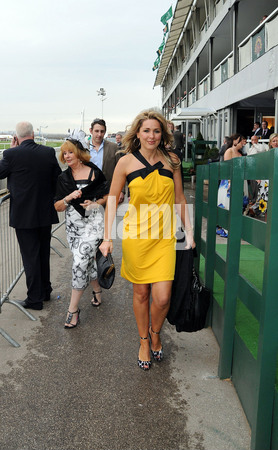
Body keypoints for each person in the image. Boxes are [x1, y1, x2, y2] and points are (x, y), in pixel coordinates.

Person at [99, 110, 195, 370]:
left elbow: (180, 199)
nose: (151, 135)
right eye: (146, 131)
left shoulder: (172, 160)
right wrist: (107, 237)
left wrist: (190, 232)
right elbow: (111, 199)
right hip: (136, 236)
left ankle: (156, 332)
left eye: (156, 131)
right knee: (141, 292)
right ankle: (144, 340)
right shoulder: (125, 162)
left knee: (162, 297)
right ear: (137, 134)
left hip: (165, 236)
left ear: (162, 134)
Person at [0, 121, 61, 310]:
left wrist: (9, 151)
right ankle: (45, 291)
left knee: (30, 257)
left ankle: (34, 299)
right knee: (43, 252)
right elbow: (57, 178)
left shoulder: (11, 154)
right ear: (33, 134)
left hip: (23, 215)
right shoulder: (48, 152)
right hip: (44, 212)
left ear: (16, 138)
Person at [54, 132, 109, 328]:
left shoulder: (95, 173)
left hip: (93, 225)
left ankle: (73, 310)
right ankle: (97, 291)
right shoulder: (63, 178)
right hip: (73, 227)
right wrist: (68, 198)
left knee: (79, 263)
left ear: (79, 153)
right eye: (64, 153)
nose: (67, 156)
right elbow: (58, 206)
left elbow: (106, 196)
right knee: (87, 260)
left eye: (70, 152)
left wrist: (95, 204)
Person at [89, 118, 124, 203]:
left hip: (109, 193)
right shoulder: (83, 148)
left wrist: (121, 191)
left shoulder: (113, 147)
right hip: (89, 192)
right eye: (96, 131)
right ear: (91, 131)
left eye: (102, 131)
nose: (99, 134)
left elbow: (121, 170)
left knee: (110, 216)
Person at [217, 134, 246, 236]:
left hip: (238, 181)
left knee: (236, 205)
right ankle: (225, 228)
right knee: (226, 204)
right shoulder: (228, 151)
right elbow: (227, 167)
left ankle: (234, 228)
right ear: (235, 141)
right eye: (241, 140)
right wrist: (230, 181)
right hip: (228, 182)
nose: (243, 143)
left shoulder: (240, 154)